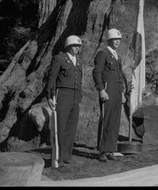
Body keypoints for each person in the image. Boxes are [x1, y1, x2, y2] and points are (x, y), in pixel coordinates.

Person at [92, 28, 130, 162]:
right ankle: (102, 150)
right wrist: (101, 90)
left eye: (119, 40)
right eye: (115, 40)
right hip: (107, 90)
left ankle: (110, 149)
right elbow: (97, 72)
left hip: (117, 91)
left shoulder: (117, 56)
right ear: (109, 40)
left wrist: (122, 93)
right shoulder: (103, 54)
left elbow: (120, 75)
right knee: (106, 119)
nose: (117, 42)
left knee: (114, 121)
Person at [46, 35, 84, 167]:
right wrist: (50, 96)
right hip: (62, 95)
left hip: (75, 96)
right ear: (68, 46)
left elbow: (79, 80)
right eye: (74, 46)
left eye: (78, 46)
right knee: (60, 126)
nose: (77, 48)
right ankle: (57, 157)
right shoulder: (59, 58)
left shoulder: (78, 62)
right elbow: (52, 78)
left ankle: (67, 155)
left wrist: (79, 96)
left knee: (71, 127)